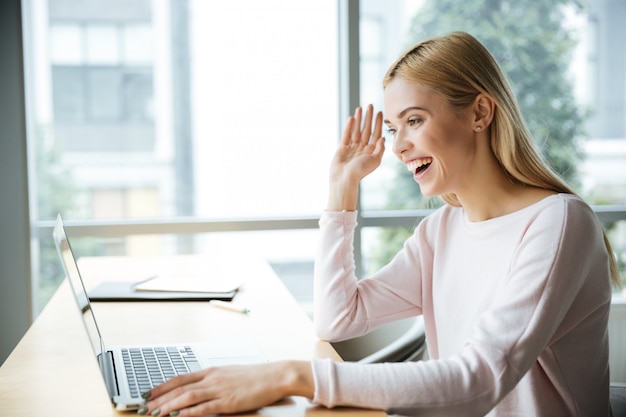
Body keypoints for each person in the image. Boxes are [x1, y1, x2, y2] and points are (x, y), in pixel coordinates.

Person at [139, 32, 619, 417]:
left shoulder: (558, 223)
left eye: (413, 120)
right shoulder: (441, 231)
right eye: (393, 129)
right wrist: (341, 190)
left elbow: (478, 382)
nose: (398, 146)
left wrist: (294, 376)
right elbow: (338, 318)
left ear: (479, 112)